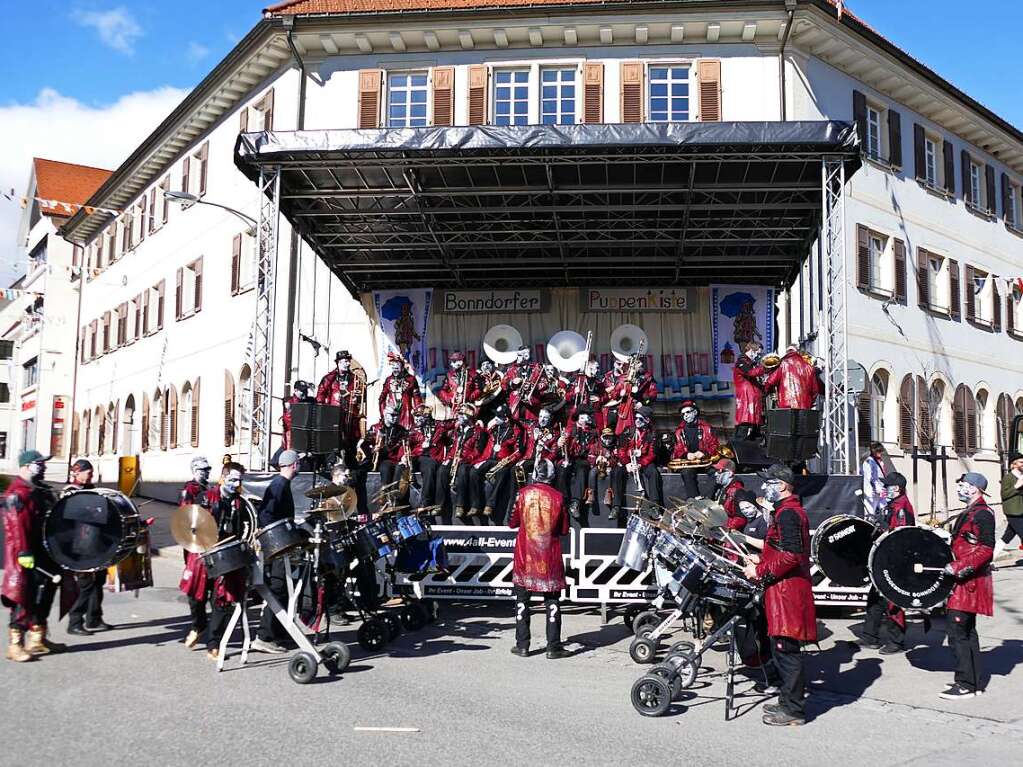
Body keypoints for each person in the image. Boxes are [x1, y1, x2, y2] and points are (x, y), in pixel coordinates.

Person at [743, 464, 816, 726]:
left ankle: (794, 710)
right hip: (783, 589)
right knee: (781, 649)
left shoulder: (788, 514)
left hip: (787, 592)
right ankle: (788, 701)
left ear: (783, 486)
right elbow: (780, 550)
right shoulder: (785, 512)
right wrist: (761, 557)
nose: (763, 488)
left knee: (786, 650)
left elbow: (791, 556)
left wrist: (759, 571)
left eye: (769, 483)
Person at [3, 450, 64, 661]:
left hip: (45, 551)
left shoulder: (38, 490)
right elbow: (15, 526)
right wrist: (23, 552)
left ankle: (37, 639)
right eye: (39, 464)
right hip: (26, 553)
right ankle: (15, 644)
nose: (44, 467)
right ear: (26, 466)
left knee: (44, 594)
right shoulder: (17, 493)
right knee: (23, 597)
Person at [939, 472, 995, 699]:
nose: (960, 488)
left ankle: (965, 684)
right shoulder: (972, 511)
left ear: (974, 488)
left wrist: (958, 566)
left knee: (957, 632)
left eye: (963, 485)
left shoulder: (982, 514)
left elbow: (987, 549)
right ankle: (973, 681)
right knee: (967, 632)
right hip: (965, 580)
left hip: (968, 582)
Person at [508, 459, 570, 659]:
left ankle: (523, 645)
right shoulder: (558, 497)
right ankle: (553, 647)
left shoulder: (523, 494)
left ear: (534, 473)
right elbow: (564, 529)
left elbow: (512, 522)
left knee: (522, 601)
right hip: (549, 556)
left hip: (525, 555)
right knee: (552, 602)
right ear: (552, 476)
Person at [859, 471, 915, 655]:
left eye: (887, 486)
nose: (884, 489)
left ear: (897, 489)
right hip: (884, 558)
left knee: (893, 601)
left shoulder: (901, 507)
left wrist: (883, 526)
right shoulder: (893, 505)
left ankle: (896, 641)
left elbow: (900, 535)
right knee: (875, 597)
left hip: (895, 561)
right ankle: (869, 636)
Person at [204, 463, 253, 660]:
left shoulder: (239, 502)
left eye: (239, 480)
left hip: (228, 555)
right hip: (207, 551)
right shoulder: (209, 498)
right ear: (222, 478)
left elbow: (242, 528)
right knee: (201, 597)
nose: (236, 484)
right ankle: (202, 630)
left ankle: (214, 643)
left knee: (223, 599)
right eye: (232, 480)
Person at [253, 449, 299, 654]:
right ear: (294, 465)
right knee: (277, 588)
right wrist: (279, 535)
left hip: (280, 545)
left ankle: (280, 633)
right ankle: (264, 636)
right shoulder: (279, 485)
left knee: (284, 588)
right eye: (298, 463)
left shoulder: (282, 484)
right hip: (276, 546)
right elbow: (265, 516)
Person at [64, 459, 113, 636]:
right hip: (79, 544)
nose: (91, 476)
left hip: (95, 542)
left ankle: (94, 618)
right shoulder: (70, 492)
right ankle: (75, 621)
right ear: (77, 473)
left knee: (98, 581)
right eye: (88, 473)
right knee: (85, 584)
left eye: (92, 473)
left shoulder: (91, 490)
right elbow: (69, 517)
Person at [179, 455, 214, 648]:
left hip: (209, 543)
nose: (206, 473)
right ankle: (198, 623)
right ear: (194, 470)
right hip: (195, 545)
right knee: (194, 585)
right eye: (202, 470)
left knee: (207, 584)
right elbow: (186, 516)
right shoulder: (189, 490)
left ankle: (202, 624)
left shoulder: (208, 489)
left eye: (208, 470)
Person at [474, 405, 524, 519]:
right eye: (495, 415)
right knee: (473, 472)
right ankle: (475, 504)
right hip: (488, 458)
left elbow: (518, 451)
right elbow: (481, 437)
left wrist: (508, 461)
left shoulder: (515, 431)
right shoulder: (493, 427)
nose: (495, 418)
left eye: (499, 416)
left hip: (503, 460)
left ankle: (490, 505)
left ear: (506, 419)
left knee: (502, 473)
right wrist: (482, 427)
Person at [612, 406, 662, 518]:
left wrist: (641, 464)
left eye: (640, 419)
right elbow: (621, 450)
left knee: (653, 472)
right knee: (617, 472)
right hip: (629, 462)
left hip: (643, 462)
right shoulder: (628, 431)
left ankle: (654, 506)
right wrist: (626, 463)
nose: (637, 421)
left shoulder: (653, 434)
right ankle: (616, 507)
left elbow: (652, 454)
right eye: (636, 418)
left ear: (647, 420)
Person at [316, 350, 364, 465]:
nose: (347, 364)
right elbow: (320, 396)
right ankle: (330, 466)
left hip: (350, 416)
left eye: (348, 361)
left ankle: (351, 468)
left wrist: (358, 396)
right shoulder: (329, 378)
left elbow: (362, 397)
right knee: (332, 444)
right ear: (338, 362)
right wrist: (325, 412)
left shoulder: (354, 378)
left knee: (351, 443)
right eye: (344, 361)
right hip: (333, 416)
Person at [671, 400, 721, 499]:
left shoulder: (707, 428)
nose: (685, 415)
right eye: (683, 414)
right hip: (689, 462)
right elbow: (677, 450)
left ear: (695, 412)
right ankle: (694, 499)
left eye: (688, 412)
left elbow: (714, 445)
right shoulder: (679, 431)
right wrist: (686, 455)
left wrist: (704, 452)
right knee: (686, 473)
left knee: (717, 473)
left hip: (705, 461)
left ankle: (708, 500)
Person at [408, 405, 453, 512]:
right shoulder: (413, 430)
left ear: (427, 417)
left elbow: (453, 423)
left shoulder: (439, 427)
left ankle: (437, 505)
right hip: (418, 457)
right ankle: (425, 503)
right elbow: (405, 445)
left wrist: (477, 421)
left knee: (439, 470)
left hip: (435, 458)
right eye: (415, 416)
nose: (417, 419)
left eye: (420, 416)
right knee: (430, 466)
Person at [448, 404, 487, 518]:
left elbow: (478, 451)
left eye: (461, 415)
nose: (458, 417)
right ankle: (437, 504)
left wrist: (465, 459)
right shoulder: (458, 429)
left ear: (468, 416)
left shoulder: (478, 431)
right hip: (456, 458)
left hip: (469, 460)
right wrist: (450, 458)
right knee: (441, 470)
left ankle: (460, 506)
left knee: (463, 470)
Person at [762, 345, 823, 409]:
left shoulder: (782, 365)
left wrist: (765, 393)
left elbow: (770, 382)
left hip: (786, 406)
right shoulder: (809, 367)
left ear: (787, 353)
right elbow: (815, 390)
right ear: (797, 352)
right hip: (804, 406)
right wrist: (809, 403)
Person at [563, 411, 598, 519]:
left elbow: (593, 448)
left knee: (582, 468)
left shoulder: (593, 432)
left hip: (583, 459)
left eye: (587, 418)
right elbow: (565, 448)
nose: (585, 420)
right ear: (578, 419)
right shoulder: (570, 430)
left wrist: (592, 459)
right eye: (582, 418)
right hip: (569, 458)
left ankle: (575, 503)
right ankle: (562, 500)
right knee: (561, 470)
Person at [378, 352, 422, 431]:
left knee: (406, 435)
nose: (395, 370)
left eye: (397, 367)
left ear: (402, 367)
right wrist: (384, 414)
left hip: (406, 414)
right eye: (393, 367)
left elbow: (417, 399)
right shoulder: (389, 380)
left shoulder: (411, 380)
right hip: (392, 414)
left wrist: (418, 414)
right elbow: (382, 398)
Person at [733, 341, 767, 440]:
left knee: (755, 431)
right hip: (746, 400)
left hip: (753, 400)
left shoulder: (752, 363)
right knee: (744, 428)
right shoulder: (742, 361)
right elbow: (751, 373)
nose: (758, 356)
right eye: (757, 353)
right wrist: (765, 367)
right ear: (752, 351)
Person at [995, 452, 1023, 557]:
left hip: (1021, 510)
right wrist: (1016, 486)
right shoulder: (1008, 477)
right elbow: (1004, 494)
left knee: (1007, 537)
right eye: (1020, 462)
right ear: (1014, 464)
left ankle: (988, 561)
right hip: (1013, 512)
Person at [712, 459, 747, 531]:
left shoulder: (738, 491)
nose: (716, 474)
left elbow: (741, 518)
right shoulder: (722, 488)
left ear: (730, 473)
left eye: (720, 471)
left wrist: (726, 528)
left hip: (728, 532)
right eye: (716, 471)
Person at [860, 442, 888, 527]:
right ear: (874, 451)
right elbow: (870, 478)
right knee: (870, 511)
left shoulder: (876, 461)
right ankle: (869, 527)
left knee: (884, 508)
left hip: (878, 490)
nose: (881, 453)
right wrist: (876, 488)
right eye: (879, 451)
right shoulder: (869, 461)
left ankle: (883, 524)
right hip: (871, 491)